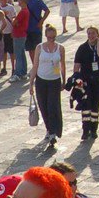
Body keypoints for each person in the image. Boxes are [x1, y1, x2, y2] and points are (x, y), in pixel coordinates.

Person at [31, 23, 66, 151]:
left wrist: (64, 80)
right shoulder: (39, 47)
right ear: (45, 36)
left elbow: (62, 65)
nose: (51, 40)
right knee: (43, 107)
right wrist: (31, 83)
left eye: (53, 37)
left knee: (53, 106)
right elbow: (35, 65)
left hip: (54, 81)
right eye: (49, 37)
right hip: (41, 80)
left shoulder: (60, 48)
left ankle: (52, 133)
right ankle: (49, 129)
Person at [73, 26, 99, 142]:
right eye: (89, 33)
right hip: (86, 81)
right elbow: (77, 65)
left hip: (98, 81)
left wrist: (98, 41)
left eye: (93, 33)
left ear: (97, 34)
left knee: (95, 106)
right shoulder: (82, 48)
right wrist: (77, 80)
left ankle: (94, 130)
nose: (91, 35)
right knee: (86, 106)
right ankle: (85, 130)